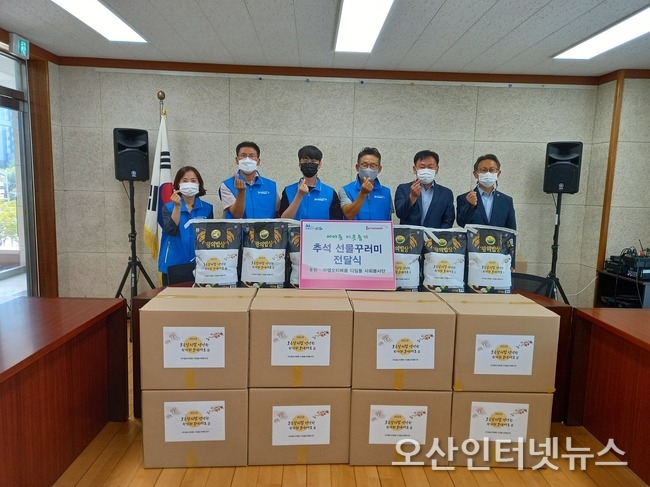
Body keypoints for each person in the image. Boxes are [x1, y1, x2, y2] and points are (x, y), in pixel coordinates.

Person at [158, 166, 214, 285]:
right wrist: (177, 207)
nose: (189, 184)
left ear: (199, 184)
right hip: (173, 263)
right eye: (185, 180)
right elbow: (171, 230)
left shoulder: (207, 208)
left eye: (193, 181)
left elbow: (209, 238)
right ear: (178, 184)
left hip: (199, 264)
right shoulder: (168, 208)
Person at [279, 145, 344, 220]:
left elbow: (336, 222)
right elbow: (283, 220)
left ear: (319, 164)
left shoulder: (330, 193)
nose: (309, 164)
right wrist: (299, 195)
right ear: (299, 163)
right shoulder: (288, 191)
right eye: (305, 161)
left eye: (313, 161)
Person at [394, 150, 455, 228]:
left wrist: (438, 234)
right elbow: (400, 214)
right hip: (410, 234)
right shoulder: (403, 189)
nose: (426, 170)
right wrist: (412, 197)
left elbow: (448, 220)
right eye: (422, 167)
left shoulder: (446, 193)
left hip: (435, 235)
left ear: (437, 169)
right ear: (415, 169)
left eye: (430, 167)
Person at [219, 141, 279, 218]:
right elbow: (237, 214)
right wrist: (241, 192)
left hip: (265, 226)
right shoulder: (227, 185)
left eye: (252, 156)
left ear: (258, 161)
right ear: (237, 160)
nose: (247, 160)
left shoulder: (271, 186)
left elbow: (278, 212)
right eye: (243, 156)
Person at [456, 154, 516, 230]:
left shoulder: (506, 201)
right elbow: (461, 223)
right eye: (483, 170)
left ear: (498, 174)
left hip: (498, 238)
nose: (488, 174)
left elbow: (511, 230)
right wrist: (471, 206)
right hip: (474, 238)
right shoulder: (464, 198)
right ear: (475, 174)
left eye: (492, 170)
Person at [339, 147, 393, 220]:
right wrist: (363, 193)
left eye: (373, 166)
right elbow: (348, 214)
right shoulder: (346, 190)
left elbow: (389, 218)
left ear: (379, 169)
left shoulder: (386, 192)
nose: (368, 169)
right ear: (357, 167)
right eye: (364, 165)